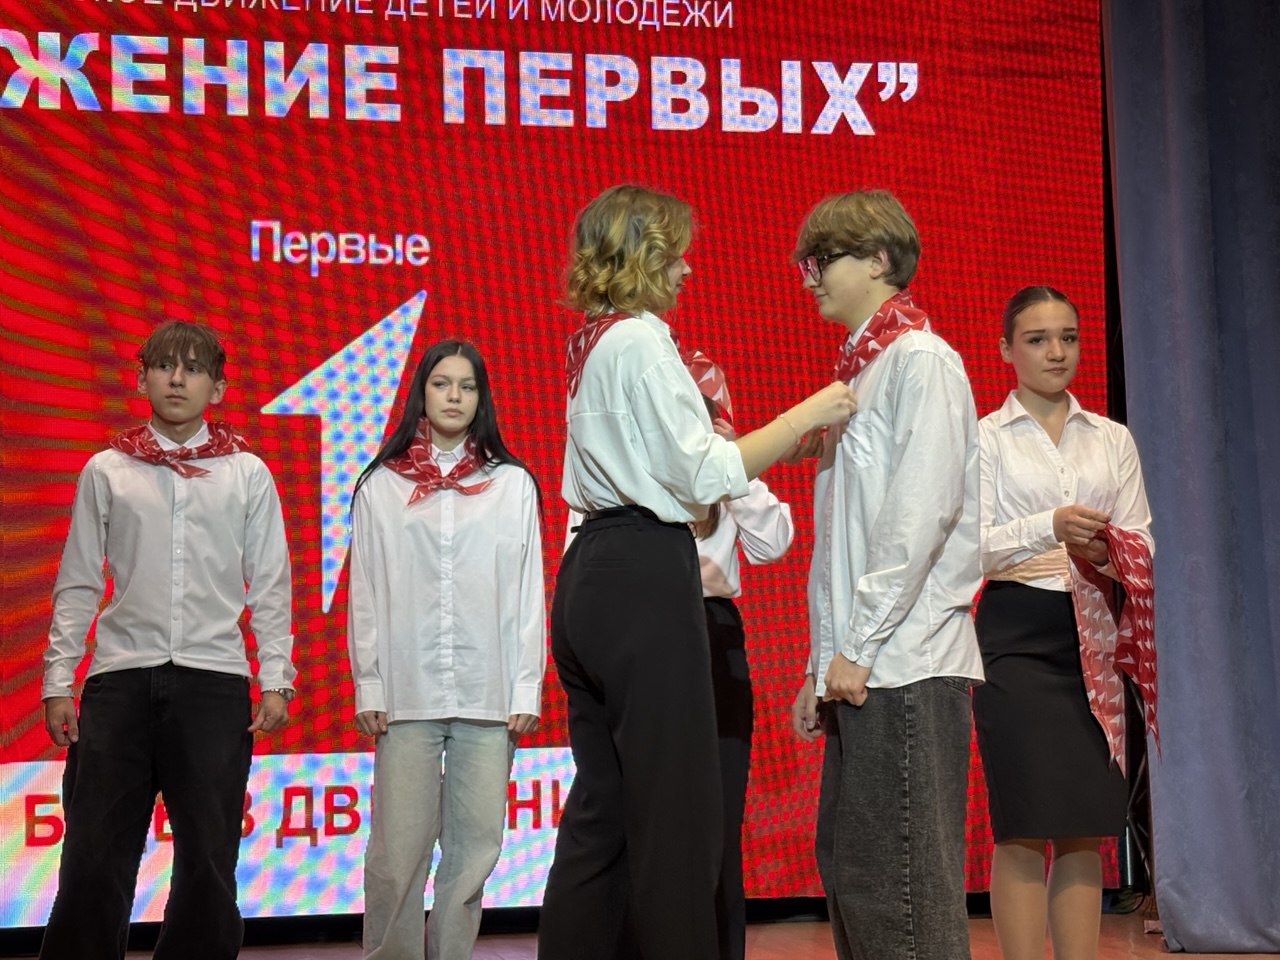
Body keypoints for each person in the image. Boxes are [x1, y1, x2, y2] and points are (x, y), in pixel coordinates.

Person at [538, 183, 856, 960]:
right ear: (644, 256)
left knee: (605, 811)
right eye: (676, 254)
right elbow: (703, 472)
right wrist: (804, 416)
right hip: (643, 570)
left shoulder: (593, 341)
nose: (686, 270)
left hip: (592, 570)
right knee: (677, 817)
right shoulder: (641, 340)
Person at [39, 320, 296, 960]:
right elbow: (78, 580)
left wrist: (276, 676)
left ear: (218, 388)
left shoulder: (247, 473)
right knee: (94, 857)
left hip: (214, 683)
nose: (177, 379)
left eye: (193, 369)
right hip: (120, 680)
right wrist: (57, 679)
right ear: (141, 379)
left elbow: (270, 583)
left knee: (209, 860)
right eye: (163, 366)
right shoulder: (108, 469)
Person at [788, 189, 984, 960]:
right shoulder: (860, 373)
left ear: (877, 260)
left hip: (904, 664)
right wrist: (820, 666)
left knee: (899, 886)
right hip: (865, 665)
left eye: (822, 259)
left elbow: (917, 518)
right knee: (854, 871)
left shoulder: (921, 361)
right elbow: (841, 545)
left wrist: (858, 645)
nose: (810, 277)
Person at [346, 339, 545, 960]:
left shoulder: (512, 484)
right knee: (396, 854)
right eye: (441, 383)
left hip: (488, 693)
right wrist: (369, 681)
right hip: (406, 691)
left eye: (467, 385)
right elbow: (365, 590)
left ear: (482, 398)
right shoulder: (381, 484)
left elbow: (529, 590)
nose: (454, 396)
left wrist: (526, 685)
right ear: (421, 394)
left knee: (475, 853)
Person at [973, 285, 1155, 960]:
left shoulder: (1111, 438)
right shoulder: (983, 439)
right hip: (1016, 632)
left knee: (1083, 827)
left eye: (1069, 337)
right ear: (1006, 350)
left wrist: (1108, 550)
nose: (1057, 351)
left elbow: (1143, 538)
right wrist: (1046, 526)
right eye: (1038, 339)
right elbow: (966, 545)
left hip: (1095, 629)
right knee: (1022, 824)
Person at [694, 392, 796, 960]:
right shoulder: (636, 472)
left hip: (716, 636)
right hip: (652, 632)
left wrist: (733, 464)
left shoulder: (728, 481)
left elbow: (773, 542)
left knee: (721, 816)